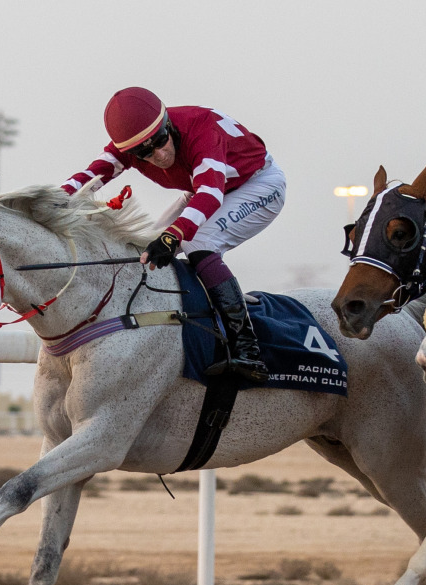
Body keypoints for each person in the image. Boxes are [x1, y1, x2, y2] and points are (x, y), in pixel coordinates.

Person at [61, 87, 286, 383]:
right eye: (143, 153)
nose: (157, 155)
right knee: (141, 249)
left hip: (257, 185)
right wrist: (53, 199)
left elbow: (210, 194)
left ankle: (247, 349)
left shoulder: (201, 131)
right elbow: (91, 176)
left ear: (168, 124)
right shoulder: (132, 144)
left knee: (196, 240)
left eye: (159, 142)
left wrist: (173, 235)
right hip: (202, 189)